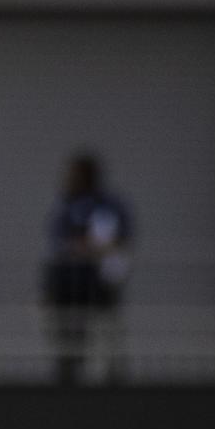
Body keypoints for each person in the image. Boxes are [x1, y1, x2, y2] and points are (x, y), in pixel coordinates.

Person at [42, 153, 131, 383]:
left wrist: (91, 247)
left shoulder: (109, 204)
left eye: (75, 174)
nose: (69, 178)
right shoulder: (66, 204)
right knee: (69, 330)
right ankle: (68, 373)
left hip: (100, 281)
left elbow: (120, 238)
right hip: (69, 282)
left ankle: (111, 375)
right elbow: (59, 241)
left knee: (104, 330)